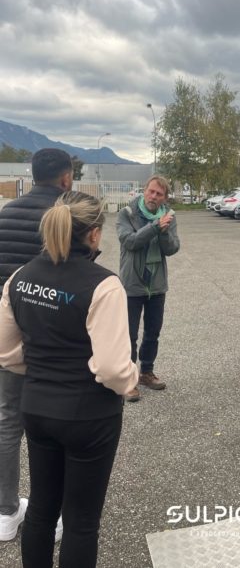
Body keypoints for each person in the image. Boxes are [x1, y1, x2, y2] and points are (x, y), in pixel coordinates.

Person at [0, 191, 138, 568]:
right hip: (89, 417)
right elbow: (112, 369)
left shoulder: (20, 277)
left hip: (37, 408)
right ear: (93, 234)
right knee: (81, 521)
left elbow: (6, 352)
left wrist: (43, 368)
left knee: (42, 508)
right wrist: (131, 379)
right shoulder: (104, 285)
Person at [0, 148, 73, 542]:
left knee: (8, 421)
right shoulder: (67, 216)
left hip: (10, 332)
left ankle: (5, 512)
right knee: (56, 425)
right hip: (54, 337)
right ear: (66, 177)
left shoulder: (6, 213)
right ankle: (53, 514)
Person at [117, 175, 180, 402]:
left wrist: (163, 231)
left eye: (159, 194)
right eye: (151, 191)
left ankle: (146, 372)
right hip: (132, 283)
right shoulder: (127, 214)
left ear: (165, 197)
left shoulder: (169, 216)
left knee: (153, 332)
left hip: (156, 284)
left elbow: (172, 248)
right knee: (129, 335)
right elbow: (130, 242)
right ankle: (128, 380)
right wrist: (154, 227)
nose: (153, 196)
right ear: (144, 190)